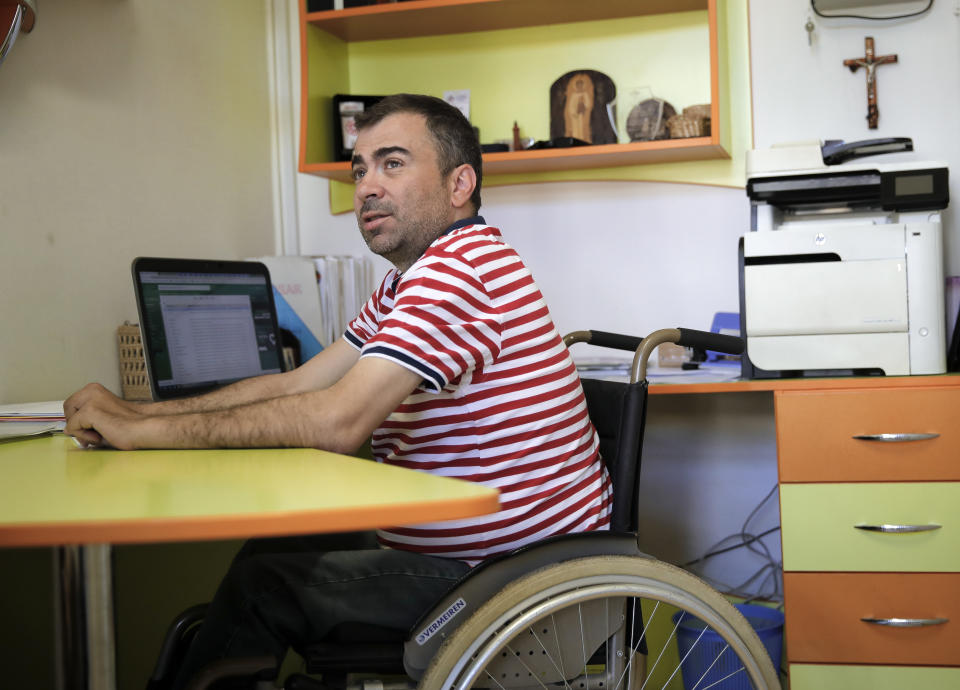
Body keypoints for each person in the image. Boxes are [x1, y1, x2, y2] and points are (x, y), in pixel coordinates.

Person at [64, 93, 613, 687]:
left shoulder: (458, 272)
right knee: (280, 545)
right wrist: (144, 413)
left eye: (393, 163)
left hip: (517, 589)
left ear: (461, 183)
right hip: (493, 566)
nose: (367, 187)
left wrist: (143, 432)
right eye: (360, 168)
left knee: (261, 590)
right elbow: (302, 382)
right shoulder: (410, 279)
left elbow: (336, 422)